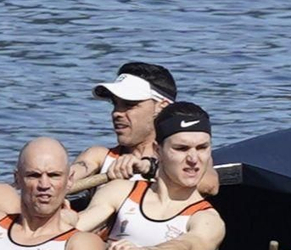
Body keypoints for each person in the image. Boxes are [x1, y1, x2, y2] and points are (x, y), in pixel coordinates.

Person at [74, 102, 226, 250]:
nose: (194, 159)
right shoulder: (120, 192)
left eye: (202, 148)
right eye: (182, 148)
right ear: (158, 150)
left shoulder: (207, 218)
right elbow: (71, 231)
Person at [70, 63, 220, 195]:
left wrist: (147, 168)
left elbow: (209, 186)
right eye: (115, 104)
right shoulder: (98, 156)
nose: (117, 113)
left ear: (162, 106)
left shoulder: (188, 155)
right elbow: (66, 179)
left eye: (129, 104)